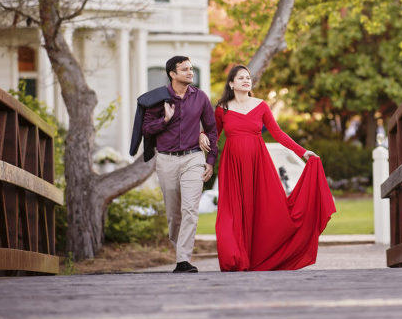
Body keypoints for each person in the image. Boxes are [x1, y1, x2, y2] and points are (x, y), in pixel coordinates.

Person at [213, 64, 335, 271]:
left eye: (248, 77)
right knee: (230, 214)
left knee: (262, 211)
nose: (246, 80)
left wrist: (303, 152)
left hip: (258, 166)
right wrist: (205, 160)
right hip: (231, 168)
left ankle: (259, 257)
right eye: (241, 77)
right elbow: (213, 138)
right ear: (231, 83)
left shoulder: (261, 106)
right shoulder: (221, 109)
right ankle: (234, 257)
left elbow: (278, 134)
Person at [142, 56, 218, 273]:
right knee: (174, 214)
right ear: (172, 74)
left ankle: (183, 259)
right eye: (184, 69)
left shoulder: (201, 97)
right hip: (166, 160)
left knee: (190, 210)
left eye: (191, 69)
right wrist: (164, 120)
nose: (190, 72)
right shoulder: (158, 99)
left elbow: (212, 130)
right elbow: (146, 130)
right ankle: (180, 249)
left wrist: (210, 161)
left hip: (194, 158)